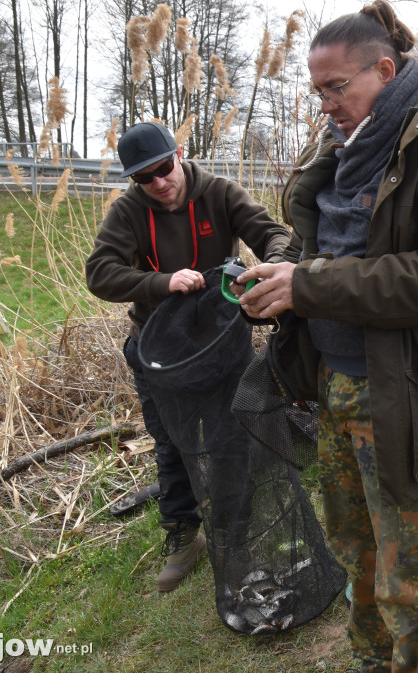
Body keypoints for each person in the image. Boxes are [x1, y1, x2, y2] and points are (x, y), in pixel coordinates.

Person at [236, 0, 418, 671]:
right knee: (357, 553)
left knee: (413, 578)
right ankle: (374, 661)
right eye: (317, 91)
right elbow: (329, 246)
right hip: (337, 383)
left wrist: (308, 284)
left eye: (336, 88)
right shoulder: (345, 145)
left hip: (409, 396)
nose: (326, 104)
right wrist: (281, 276)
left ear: (385, 68)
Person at [85, 121, 290, 592]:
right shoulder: (129, 211)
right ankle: (183, 535)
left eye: (163, 168)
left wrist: (267, 270)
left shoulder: (219, 192)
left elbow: (274, 235)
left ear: (179, 153)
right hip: (158, 351)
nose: (158, 183)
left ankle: (235, 530)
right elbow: (100, 273)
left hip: (220, 344)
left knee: (231, 435)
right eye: (143, 177)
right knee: (171, 443)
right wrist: (162, 282)